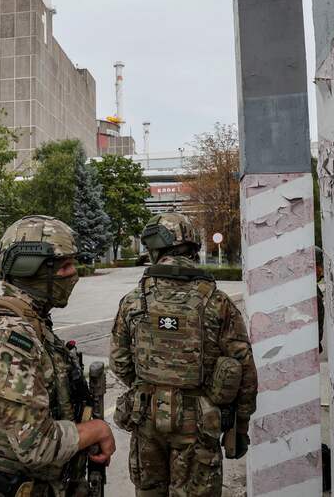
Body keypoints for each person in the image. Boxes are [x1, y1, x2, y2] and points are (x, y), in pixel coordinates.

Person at [0, 215, 115, 497]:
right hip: (14, 487)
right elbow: (35, 445)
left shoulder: (30, 321)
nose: (73, 274)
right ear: (32, 269)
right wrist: (97, 430)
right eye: (64, 266)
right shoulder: (10, 336)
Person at [110, 213, 258, 497]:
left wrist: (151, 386)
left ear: (154, 250)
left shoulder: (133, 300)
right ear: (192, 247)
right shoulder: (216, 301)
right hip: (200, 424)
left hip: (147, 419)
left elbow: (119, 361)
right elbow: (244, 367)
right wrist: (240, 424)